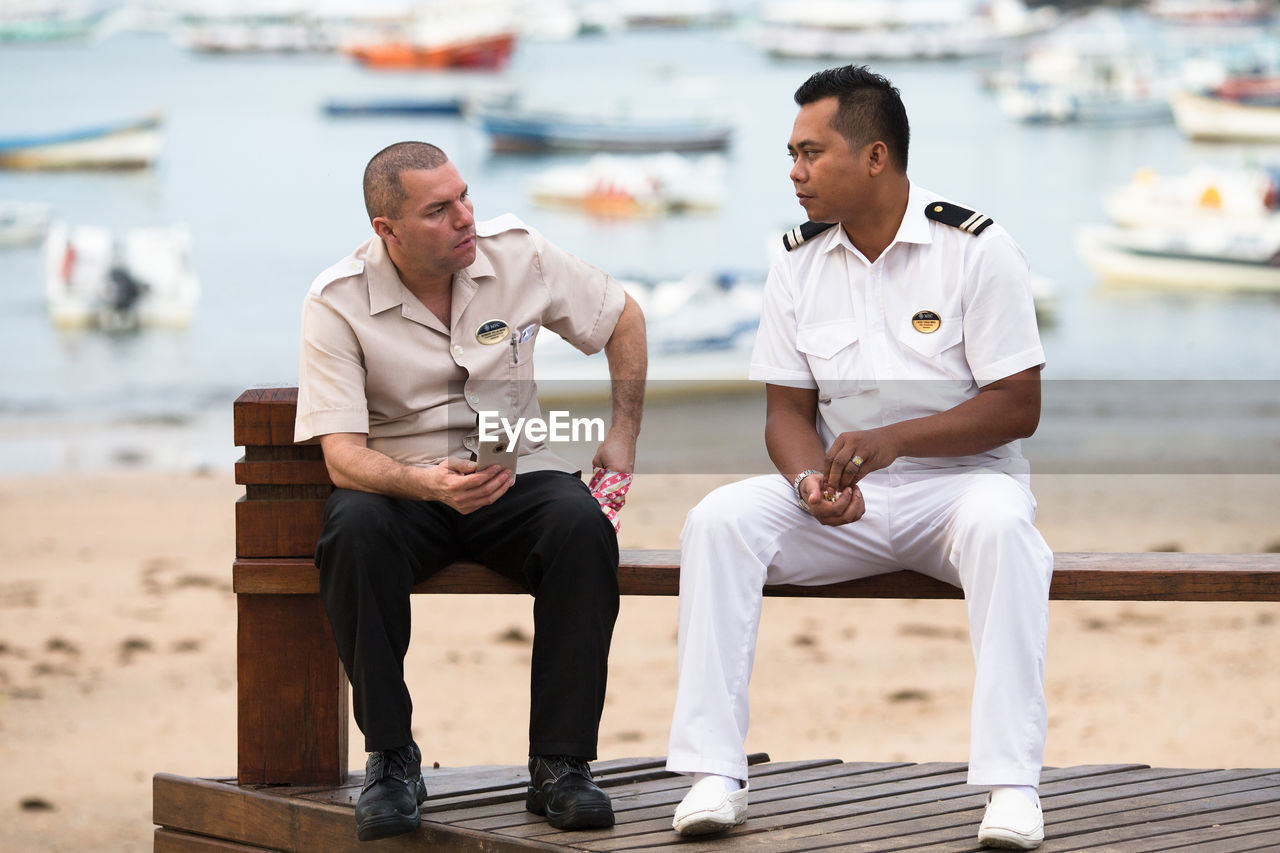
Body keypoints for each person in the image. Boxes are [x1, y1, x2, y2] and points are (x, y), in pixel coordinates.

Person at [665, 65, 1052, 850]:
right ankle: (713, 773)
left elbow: (1019, 405)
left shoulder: (976, 249)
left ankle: (1013, 787)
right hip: (846, 503)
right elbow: (785, 413)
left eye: (812, 152)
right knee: (719, 521)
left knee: (1008, 532)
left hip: (963, 493)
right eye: (791, 153)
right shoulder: (795, 260)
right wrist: (810, 482)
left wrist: (897, 440)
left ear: (875, 156)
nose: (795, 172)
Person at [295, 141, 647, 842]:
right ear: (386, 229)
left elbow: (623, 319)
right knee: (352, 530)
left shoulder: (520, 254)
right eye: (439, 209)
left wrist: (623, 435)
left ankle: (560, 765)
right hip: (406, 489)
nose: (465, 217)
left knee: (582, 526)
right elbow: (342, 457)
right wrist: (422, 482)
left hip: (515, 473)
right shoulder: (335, 301)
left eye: (464, 197)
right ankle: (392, 760)